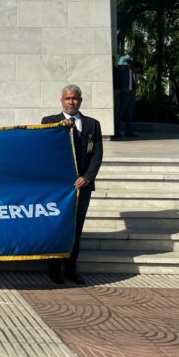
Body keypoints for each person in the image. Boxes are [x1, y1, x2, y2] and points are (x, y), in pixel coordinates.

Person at [41, 85, 103, 285]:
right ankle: (54, 270)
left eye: (75, 98)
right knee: (54, 227)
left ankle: (71, 269)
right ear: (61, 100)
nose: (71, 102)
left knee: (75, 228)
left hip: (81, 187)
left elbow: (97, 155)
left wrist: (88, 177)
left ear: (80, 100)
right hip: (56, 189)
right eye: (67, 98)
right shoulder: (49, 122)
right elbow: (42, 153)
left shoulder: (92, 125)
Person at [113, 53, 138, 138]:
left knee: (129, 114)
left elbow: (133, 83)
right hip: (123, 94)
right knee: (120, 113)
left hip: (131, 94)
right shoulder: (123, 71)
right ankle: (116, 131)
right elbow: (118, 81)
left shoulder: (133, 72)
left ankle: (128, 131)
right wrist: (121, 89)